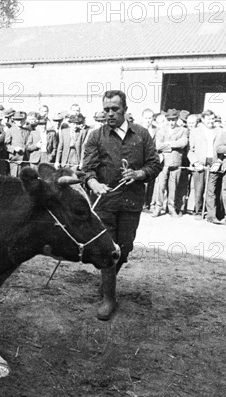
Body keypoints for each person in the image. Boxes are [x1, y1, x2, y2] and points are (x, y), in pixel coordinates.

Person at [81, 90, 161, 320]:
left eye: (115, 109)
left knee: (124, 249)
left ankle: (108, 281)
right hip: (105, 202)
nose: (110, 114)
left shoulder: (142, 135)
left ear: (125, 109)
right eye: (106, 109)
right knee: (109, 249)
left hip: (131, 202)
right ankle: (109, 298)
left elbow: (155, 164)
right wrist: (94, 183)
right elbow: (87, 169)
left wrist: (139, 173)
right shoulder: (96, 136)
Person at [151, 108, 189, 217]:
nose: (172, 122)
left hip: (176, 161)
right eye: (170, 120)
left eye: (174, 120)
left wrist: (168, 144)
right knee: (161, 185)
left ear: (177, 119)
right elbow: (158, 146)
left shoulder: (183, 130)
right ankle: (158, 207)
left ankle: (171, 207)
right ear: (166, 120)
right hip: (163, 162)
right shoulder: (161, 131)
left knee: (173, 186)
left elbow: (183, 143)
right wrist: (173, 145)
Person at [187, 110, 221, 219]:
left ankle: (212, 215)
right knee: (199, 188)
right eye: (209, 119)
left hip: (213, 162)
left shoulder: (219, 131)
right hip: (200, 162)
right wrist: (195, 162)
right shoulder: (195, 132)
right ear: (202, 120)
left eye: (212, 119)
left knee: (211, 190)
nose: (211, 121)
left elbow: (222, 150)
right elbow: (190, 150)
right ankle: (198, 211)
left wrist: (218, 162)